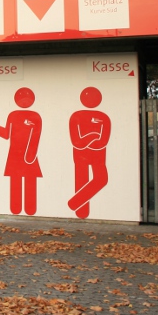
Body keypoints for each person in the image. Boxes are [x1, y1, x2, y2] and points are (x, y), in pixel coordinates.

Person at [0, 87, 42, 215]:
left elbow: (36, 135)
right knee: (16, 180)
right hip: (15, 153)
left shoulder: (35, 116)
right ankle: (15, 208)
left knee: (30, 179)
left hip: (28, 153)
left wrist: (31, 154)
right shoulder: (13, 115)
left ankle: (30, 209)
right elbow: (7, 134)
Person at [68, 87, 111, 219]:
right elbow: (76, 141)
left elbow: (103, 141)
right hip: (80, 154)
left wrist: (86, 141)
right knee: (81, 180)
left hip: (98, 155)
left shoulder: (104, 117)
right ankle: (81, 212)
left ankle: (74, 203)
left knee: (101, 179)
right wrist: (93, 136)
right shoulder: (76, 116)